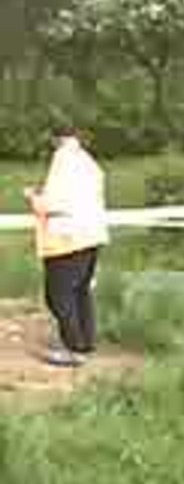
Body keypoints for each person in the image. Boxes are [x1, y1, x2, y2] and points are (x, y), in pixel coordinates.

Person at [23, 125, 109, 365]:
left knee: (58, 295)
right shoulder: (89, 163)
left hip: (66, 239)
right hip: (92, 235)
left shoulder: (62, 161)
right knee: (81, 291)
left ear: (56, 140)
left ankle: (72, 347)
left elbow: (54, 203)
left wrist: (33, 197)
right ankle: (86, 342)